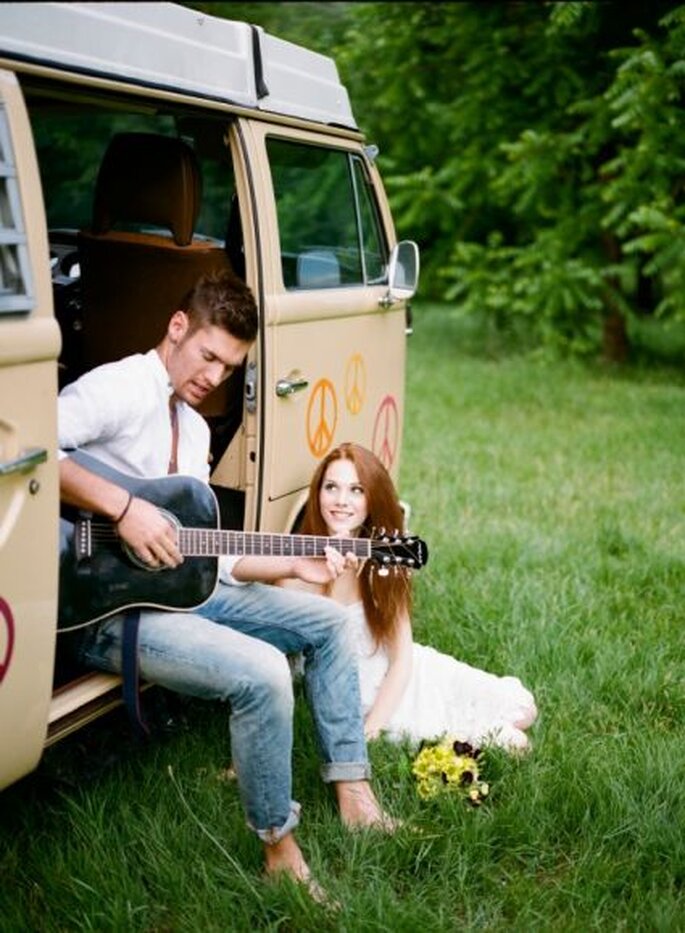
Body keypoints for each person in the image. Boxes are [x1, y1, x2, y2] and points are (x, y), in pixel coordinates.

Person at [58, 272, 395, 897]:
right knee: (263, 673)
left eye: (229, 366)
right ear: (177, 328)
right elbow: (26, 448)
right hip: (102, 606)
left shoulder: (193, 430)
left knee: (326, 623)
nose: (214, 376)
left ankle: (353, 789)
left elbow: (210, 556)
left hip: (176, 590)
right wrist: (122, 509)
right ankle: (278, 846)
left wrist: (298, 565)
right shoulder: (122, 387)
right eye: (209, 356)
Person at [278, 442, 538, 752]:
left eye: (356, 490)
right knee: (517, 745)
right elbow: (280, 662)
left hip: (407, 676)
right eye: (331, 487)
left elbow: (402, 658)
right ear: (317, 493)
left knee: (523, 709)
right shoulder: (295, 570)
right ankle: (456, 736)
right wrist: (370, 725)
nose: (341, 501)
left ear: (372, 499)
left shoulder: (386, 559)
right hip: (365, 696)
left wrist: (369, 732)